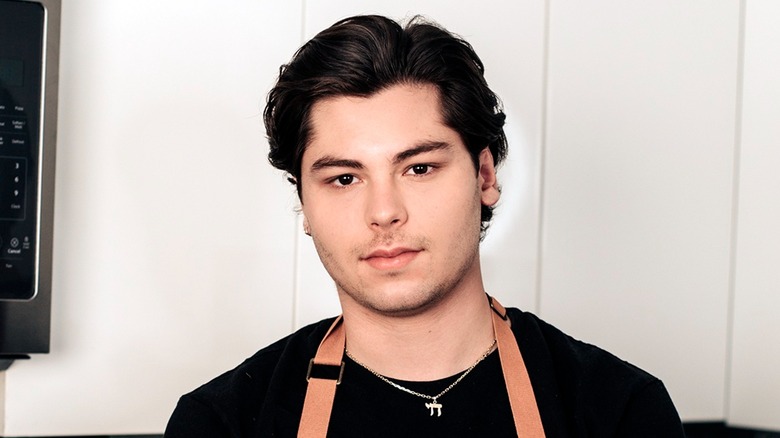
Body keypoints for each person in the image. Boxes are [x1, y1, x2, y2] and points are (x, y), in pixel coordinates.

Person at [165, 14, 685, 437]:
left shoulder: (619, 412)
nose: (384, 211)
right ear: (304, 203)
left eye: (418, 168)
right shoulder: (222, 423)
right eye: (345, 178)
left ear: (483, 176)